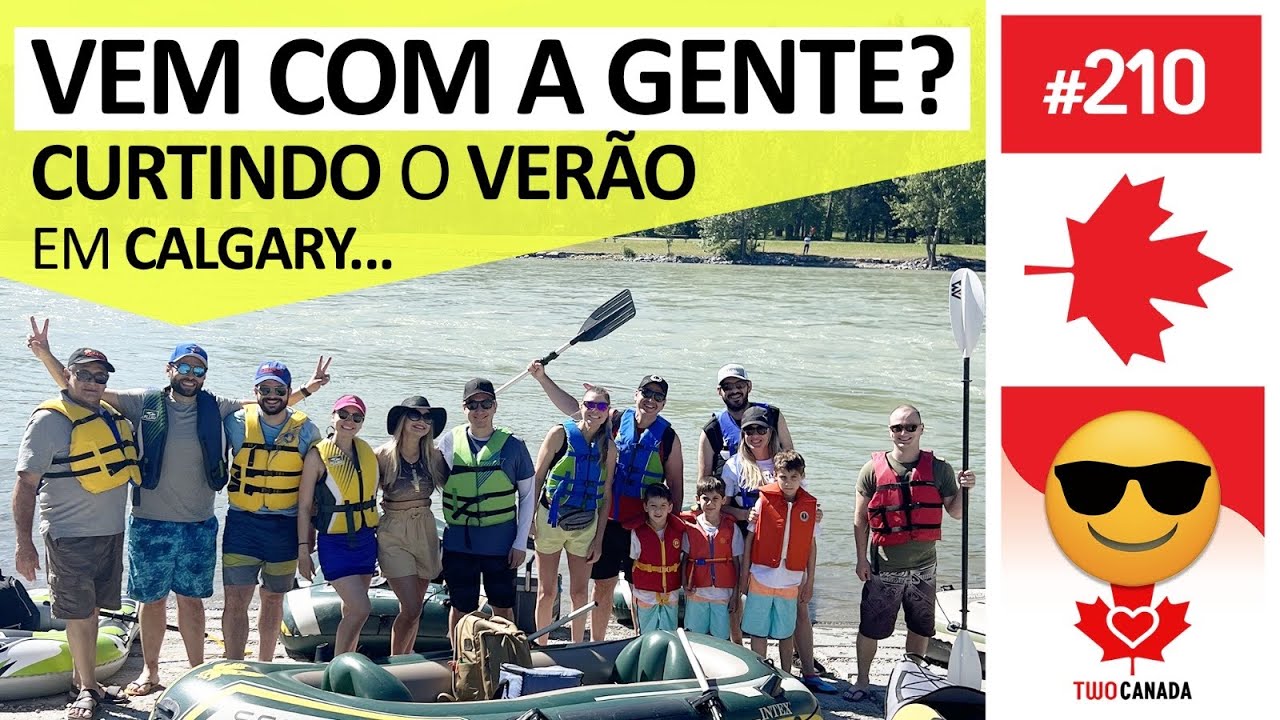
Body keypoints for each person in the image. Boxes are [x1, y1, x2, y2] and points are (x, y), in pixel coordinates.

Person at [26, 318, 332, 694]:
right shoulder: (143, 402)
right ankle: (150, 673)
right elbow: (82, 390)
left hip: (199, 524)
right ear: (170, 369)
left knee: (192, 602)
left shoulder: (217, 406)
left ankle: (195, 671)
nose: (190, 374)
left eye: (197, 369)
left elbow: (268, 402)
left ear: (204, 375)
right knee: (151, 602)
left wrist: (307, 389)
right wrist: (45, 354)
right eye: (183, 367)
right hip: (149, 522)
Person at [13, 348, 136, 718]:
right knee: (79, 614)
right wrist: (24, 544)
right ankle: (85, 689)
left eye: (101, 377)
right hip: (69, 534)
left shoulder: (110, 414)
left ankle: (87, 682)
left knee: (92, 610)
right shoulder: (50, 420)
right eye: (84, 375)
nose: (93, 383)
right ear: (68, 375)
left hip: (111, 532)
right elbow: (24, 484)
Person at [529, 362, 684, 640]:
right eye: (646, 393)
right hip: (609, 522)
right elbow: (573, 409)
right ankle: (597, 644)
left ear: (664, 404)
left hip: (644, 525)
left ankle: (644, 642)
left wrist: (672, 528)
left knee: (643, 589)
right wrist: (543, 378)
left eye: (658, 397)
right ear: (636, 394)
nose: (651, 401)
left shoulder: (669, 438)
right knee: (602, 585)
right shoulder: (612, 419)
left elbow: (676, 485)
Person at [847, 404, 976, 703]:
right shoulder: (871, 471)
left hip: (924, 567)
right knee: (871, 627)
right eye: (897, 428)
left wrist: (964, 489)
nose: (903, 433)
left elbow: (955, 513)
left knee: (920, 626)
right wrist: (860, 558)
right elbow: (859, 519)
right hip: (884, 567)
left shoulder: (940, 469)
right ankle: (863, 679)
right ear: (889, 431)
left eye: (910, 427)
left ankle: (914, 675)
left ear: (921, 429)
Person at [718, 407, 832, 692]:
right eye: (749, 430)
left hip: (790, 568)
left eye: (761, 429)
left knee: (793, 619)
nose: (756, 435)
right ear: (742, 434)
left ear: (770, 432)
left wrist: (815, 515)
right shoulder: (733, 465)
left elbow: (808, 524)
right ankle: (752, 671)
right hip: (755, 553)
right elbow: (724, 505)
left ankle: (804, 673)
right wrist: (747, 517)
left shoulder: (788, 466)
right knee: (750, 617)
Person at [221, 361, 322, 661]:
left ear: (288, 392)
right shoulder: (235, 422)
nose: (272, 395)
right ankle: (234, 665)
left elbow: (315, 491)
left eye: (279, 390)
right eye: (265, 389)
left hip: (284, 527)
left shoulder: (306, 431)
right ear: (255, 391)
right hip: (242, 524)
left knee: (274, 598)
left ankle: (265, 665)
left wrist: (309, 537)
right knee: (236, 599)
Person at [436, 378, 536, 637]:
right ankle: (459, 659)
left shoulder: (514, 446)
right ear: (464, 407)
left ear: (495, 406)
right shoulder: (448, 443)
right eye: (473, 404)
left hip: (500, 543)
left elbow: (527, 497)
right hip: (460, 543)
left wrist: (520, 543)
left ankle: (506, 658)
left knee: (502, 607)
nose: (479, 410)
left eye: (486, 403)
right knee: (460, 607)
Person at [529, 385, 617, 644]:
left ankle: (578, 646)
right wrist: (528, 521)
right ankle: (541, 645)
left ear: (608, 412)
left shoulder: (609, 448)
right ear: (581, 406)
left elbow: (606, 495)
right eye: (590, 404)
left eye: (601, 406)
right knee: (546, 592)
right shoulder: (559, 434)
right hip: (550, 520)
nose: (594, 411)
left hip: (584, 525)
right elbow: (537, 478)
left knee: (580, 593)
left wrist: (599, 540)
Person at [297, 395, 380, 656]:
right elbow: (304, 506)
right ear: (333, 416)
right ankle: (338, 666)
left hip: (366, 540)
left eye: (356, 417)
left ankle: (348, 656)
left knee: (351, 609)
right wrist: (303, 550)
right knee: (361, 608)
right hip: (335, 542)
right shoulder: (317, 456)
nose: (349, 421)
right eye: (343, 415)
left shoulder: (366, 452)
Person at [374, 396, 449, 656]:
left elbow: (456, 490)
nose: (422, 421)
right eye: (415, 415)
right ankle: (397, 661)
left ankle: (407, 658)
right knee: (411, 606)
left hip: (425, 527)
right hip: (394, 530)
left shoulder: (435, 456)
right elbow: (364, 496)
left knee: (416, 607)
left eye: (427, 417)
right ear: (402, 420)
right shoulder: (383, 456)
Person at [738, 451, 817, 674]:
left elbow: (811, 546)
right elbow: (750, 538)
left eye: (794, 477)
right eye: (783, 477)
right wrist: (744, 575)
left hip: (790, 581)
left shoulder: (810, 507)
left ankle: (786, 674)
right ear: (775, 476)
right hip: (761, 576)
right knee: (757, 630)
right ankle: (759, 672)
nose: (788, 482)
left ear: (802, 476)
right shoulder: (763, 502)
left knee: (785, 632)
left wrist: (809, 580)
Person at [697, 364, 794, 481]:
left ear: (749, 386)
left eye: (740, 385)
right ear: (719, 391)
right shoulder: (712, 428)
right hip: (731, 494)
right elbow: (704, 480)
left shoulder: (773, 415)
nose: (734, 391)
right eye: (727, 387)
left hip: (773, 488)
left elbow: (791, 459)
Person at [680, 476, 742, 640]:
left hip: (722, 595)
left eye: (715, 499)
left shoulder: (731, 528)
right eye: (705, 499)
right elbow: (684, 560)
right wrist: (684, 584)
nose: (710, 503)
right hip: (696, 592)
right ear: (697, 500)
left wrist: (736, 596)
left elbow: (737, 564)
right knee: (695, 637)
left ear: (723, 500)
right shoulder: (690, 528)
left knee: (721, 638)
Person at [627, 484, 685, 632]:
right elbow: (633, 558)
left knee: (670, 632)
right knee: (646, 632)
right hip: (645, 592)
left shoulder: (679, 531)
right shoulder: (637, 532)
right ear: (645, 507)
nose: (658, 511)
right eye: (653, 506)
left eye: (663, 506)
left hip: (670, 591)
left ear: (670, 507)